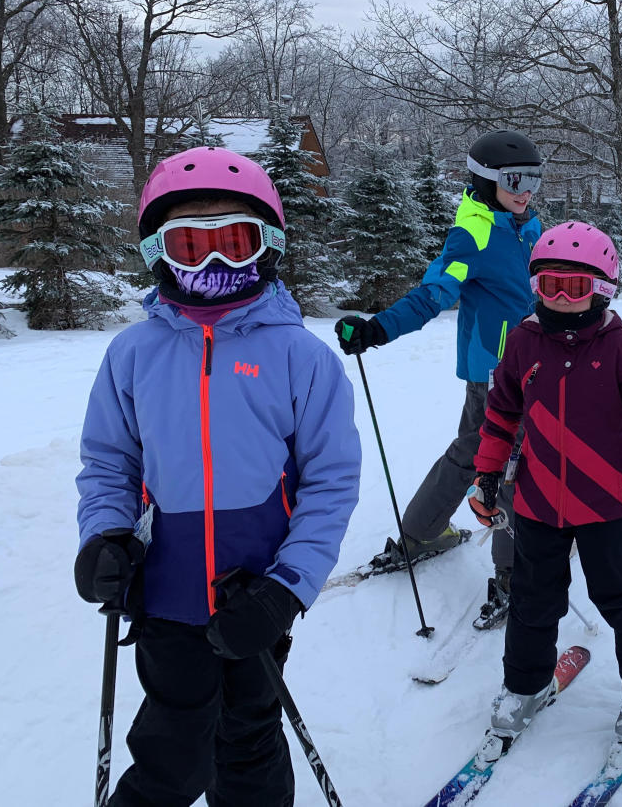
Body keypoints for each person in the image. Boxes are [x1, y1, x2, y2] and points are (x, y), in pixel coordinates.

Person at [75, 146, 362, 806]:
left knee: (250, 735)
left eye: (233, 242)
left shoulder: (301, 358)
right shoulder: (133, 353)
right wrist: (107, 537)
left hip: (256, 594)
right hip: (166, 593)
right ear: (157, 251)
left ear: (267, 244)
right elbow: (108, 462)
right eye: (188, 244)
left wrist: (288, 588)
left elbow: (330, 485)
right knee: (173, 742)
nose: (210, 264)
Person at [465, 221, 622, 764]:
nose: (560, 300)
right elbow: (502, 414)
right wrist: (487, 475)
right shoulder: (523, 342)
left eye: (575, 288)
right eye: (549, 286)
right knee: (533, 602)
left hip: (605, 504)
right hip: (536, 503)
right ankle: (526, 684)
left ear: (603, 288)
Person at [333, 130, 543, 629]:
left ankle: (423, 531)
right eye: (516, 179)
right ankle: (513, 575)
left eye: (534, 178)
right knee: (510, 463)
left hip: (527, 366)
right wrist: (379, 328)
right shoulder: (473, 233)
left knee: (473, 448)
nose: (527, 189)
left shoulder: (524, 225)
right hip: (497, 374)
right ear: (487, 180)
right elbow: (433, 295)